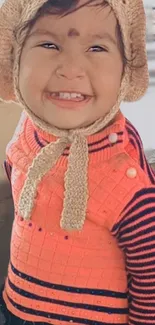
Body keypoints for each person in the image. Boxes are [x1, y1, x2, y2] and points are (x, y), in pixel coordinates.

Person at [0, 0, 154, 324]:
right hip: (14, 306)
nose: (70, 68)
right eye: (49, 44)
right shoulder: (26, 134)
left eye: (97, 47)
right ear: (13, 60)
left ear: (129, 70)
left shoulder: (123, 175)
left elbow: (150, 272)